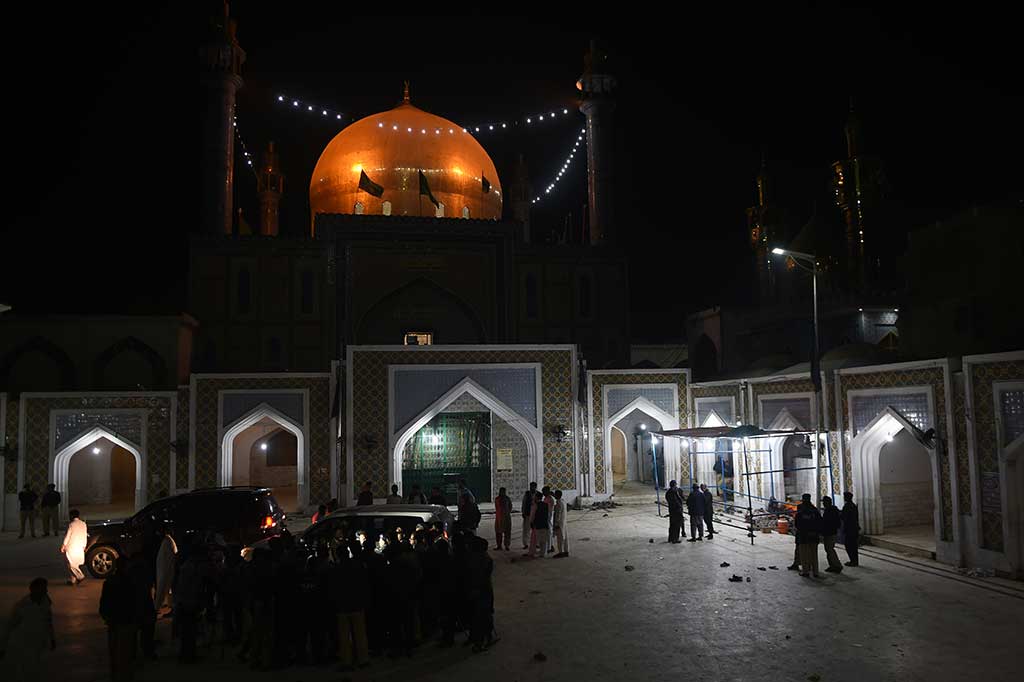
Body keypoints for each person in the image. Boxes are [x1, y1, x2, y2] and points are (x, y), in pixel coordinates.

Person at [0, 577, 56, 682]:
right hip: (25, 646)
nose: (45, 591)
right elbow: (9, 626)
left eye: (45, 589)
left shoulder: (45, 603)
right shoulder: (22, 606)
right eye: (43, 589)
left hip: (38, 644)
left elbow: (48, 621)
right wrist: (3, 647)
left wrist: (52, 638)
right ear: (34, 590)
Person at [100, 556, 138, 682]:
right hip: (126, 622)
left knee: (115, 654)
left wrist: (107, 617)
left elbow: (103, 605)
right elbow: (135, 603)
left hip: (114, 622)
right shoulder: (131, 582)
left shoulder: (110, 582)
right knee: (126, 654)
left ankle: (116, 676)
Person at [794, 493, 822, 578]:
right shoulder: (814, 510)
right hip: (814, 535)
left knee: (804, 554)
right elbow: (819, 522)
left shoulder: (800, 511)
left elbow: (797, 523)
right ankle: (815, 572)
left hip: (803, 536)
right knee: (814, 554)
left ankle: (805, 571)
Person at [153, 524, 177, 614]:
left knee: (163, 587)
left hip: (165, 569)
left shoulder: (167, 542)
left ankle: (157, 608)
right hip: (166, 568)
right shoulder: (168, 541)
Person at [61, 509, 88, 585]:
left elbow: (68, 536)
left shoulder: (72, 524)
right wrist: (84, 545)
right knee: (74, 564)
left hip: (72, 546)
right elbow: (85, 535)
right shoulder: (83, 524)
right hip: (80, 546)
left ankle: (80, 576)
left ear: (72, 516)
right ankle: (73, 580)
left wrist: (64, 545)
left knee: (71, 564)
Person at [821, 496, 843, 573]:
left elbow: (827, 522)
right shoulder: (833, 509)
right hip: (831, 532)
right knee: (828, 549)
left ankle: (837, 565)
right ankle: (832, 565)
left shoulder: (830, 511)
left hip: (829, 532)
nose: (823, 503)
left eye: (824, 502)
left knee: (830, 549)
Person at [528, 492, 550, 558]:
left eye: (535, 496)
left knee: (534, 540)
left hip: (537, 524)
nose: (533, 498)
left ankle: (532, 552)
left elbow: (532, 515)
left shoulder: (535, 505)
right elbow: (548, 515)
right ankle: (543, 553)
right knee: (543, 540)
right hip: (544, 524)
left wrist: (531, 523)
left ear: (537, 497)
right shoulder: (546, 504)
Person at [841, 491, 860, 567]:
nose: (844, 498)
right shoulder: (853, 506)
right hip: (854, 528)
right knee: (854, 546)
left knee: (849, 545)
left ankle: (853, 561)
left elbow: (843, 517)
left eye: (845, 497)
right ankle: (855, 561)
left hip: (850, 529)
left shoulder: (847, 506)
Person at [493, 486, 512, 551]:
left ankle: (507, 545)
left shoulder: (507, 499)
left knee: (507, 532)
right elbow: (496, 507)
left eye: (503, 492)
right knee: (498, 532)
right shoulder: (497, 499)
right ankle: (499, 545)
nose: (502, 493)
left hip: (506, 517)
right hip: (499, 518)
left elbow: (510, 507)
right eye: (501, 491)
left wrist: (506, 513)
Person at [521, 482, 537, 549]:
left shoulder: (538, 494)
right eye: (531, 486)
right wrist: (523, 512)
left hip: (535, 514)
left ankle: (536, 543)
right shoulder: (527, 494)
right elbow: (524, 503)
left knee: (535, 529)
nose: (532, 488)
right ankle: (526, 544)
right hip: (527, 514)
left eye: (533, 486)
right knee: (526, 529)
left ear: (535, 487)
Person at [552, 490, 569, 557]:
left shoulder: (558, 503)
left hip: (559, 523)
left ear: (557, 495)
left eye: (555, 495)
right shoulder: (563, 501)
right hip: (563, 522)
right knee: (565, 537)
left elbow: (557, 515)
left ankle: (560, 552)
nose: (554, 496)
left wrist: (556, 524)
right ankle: (566, 551)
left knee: (560, 538)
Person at [542, 486, 556, 554]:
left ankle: (549, 547)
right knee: (547, 533)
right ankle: (550, 545)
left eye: (544, 492)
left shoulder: (551, 499)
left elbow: (551, 510)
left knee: (549, 532)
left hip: (549, 517)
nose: (543, 493)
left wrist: (548, 518)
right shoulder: (545, 498)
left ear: (547, 491)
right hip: (545, 517)